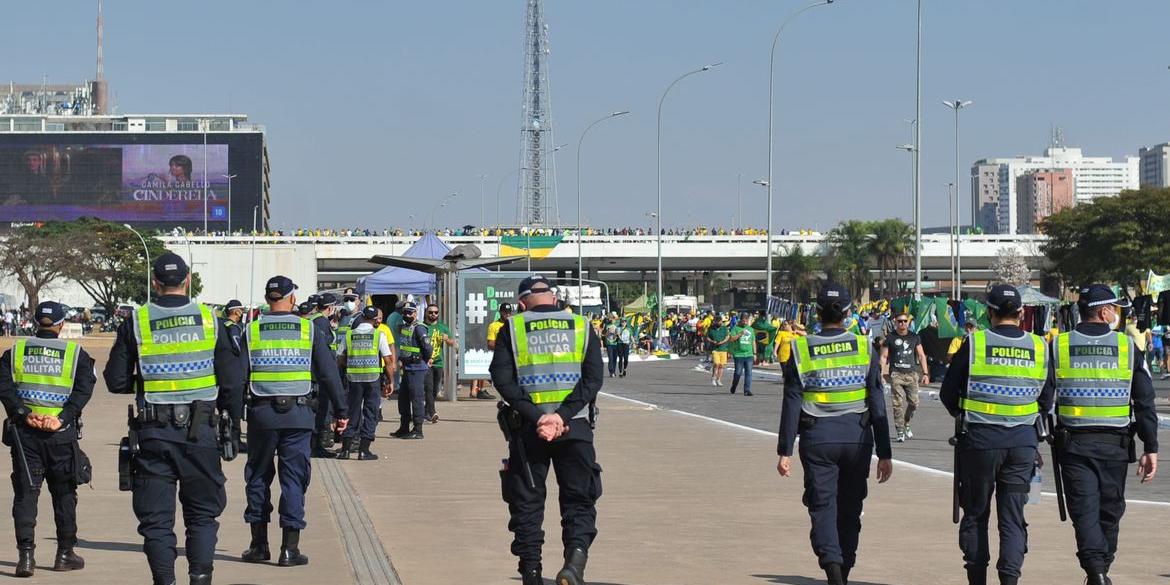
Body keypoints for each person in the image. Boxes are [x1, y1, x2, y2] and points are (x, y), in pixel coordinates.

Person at [103, 253, 243, 585]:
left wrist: (148, 380)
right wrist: (232, 426)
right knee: (202, 515)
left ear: (154, 283)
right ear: (188, 281)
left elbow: (115, 381)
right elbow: (232, 382)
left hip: (154, 433)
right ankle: (200, 578)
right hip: (202, 434)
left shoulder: (136, 321)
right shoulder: (210, 320)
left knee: (156, 521)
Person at [490, 275, 604, 585]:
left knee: (527, 502)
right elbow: (593, 380)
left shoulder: (511, 328)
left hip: (529, 430)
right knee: (580, 499)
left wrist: (538, 417)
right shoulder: (582, 326)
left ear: (521, 303)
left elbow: (502, 380)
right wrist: (562, 416)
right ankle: (574, 564)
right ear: (554, 299)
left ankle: (531, 572)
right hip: (575, 427)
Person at [777, 283, 893, 585]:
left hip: (818, 439)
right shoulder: (863, 346)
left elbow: (791, 401)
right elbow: (877, 400)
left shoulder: (801, 349)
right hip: (857, 438)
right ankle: (844, 567)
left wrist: (784, 450)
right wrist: (885, 453)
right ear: (847, 313)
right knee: (851, 507)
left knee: (823, 506)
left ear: (816, 312)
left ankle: (833, 569)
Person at [940, 284, 1055, 585]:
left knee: (977, 514)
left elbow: (948, 392)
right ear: (1020, 313)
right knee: (1013, 518)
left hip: (980, 442)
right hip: (1021, 444)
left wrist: (964, 414)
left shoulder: (975, 343)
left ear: (989, 312)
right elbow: (1047, 397)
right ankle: (1010, 580)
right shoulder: (1040, 346)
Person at [239, 276, 349, 568]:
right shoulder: (307, 329)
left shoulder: (251, 331)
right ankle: (289, 550)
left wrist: (231, 415)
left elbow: (237, 377)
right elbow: (328, 374)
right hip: (298, 416)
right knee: (294, 480)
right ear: (289, 298)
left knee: (258, 477)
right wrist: (342, 411)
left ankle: (258, 545)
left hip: (261, 416)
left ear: (268, 298)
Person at [1051, 285, 1158, 585]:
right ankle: (1099, 571)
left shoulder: (1058, 346)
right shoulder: (1127, 347)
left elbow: (1045, 398)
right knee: (1110, 512)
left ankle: (1097, 571)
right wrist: (1151, 446)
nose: (1118, 313)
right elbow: (1145, 401)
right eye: (1116, 308)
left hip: (1074, 446)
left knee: (1084, 512)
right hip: (1114, 446)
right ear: (1104, 311)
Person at [0, 301, 95, 577]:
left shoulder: (15, 351)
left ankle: (25, 557)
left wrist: (22, 412)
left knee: (26, 494)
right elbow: (84, 388)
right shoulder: (75, 353)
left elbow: (3, 385)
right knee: (64, 493)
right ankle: (64, 553)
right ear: (61, 324)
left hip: (25, 434)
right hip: (60, 435)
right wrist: (63, 417)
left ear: (34, 321)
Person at [336, 305, 394, 460]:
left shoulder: (349, 335)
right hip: (372, 379)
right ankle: (364, 450)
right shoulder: (378, 335)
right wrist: (390, 381)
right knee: (371, 413)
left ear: (361, 317)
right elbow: (388, 360)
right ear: (375, 320)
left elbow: (340, 358)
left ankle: (345, 450)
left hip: (353, 379)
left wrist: (348, 367)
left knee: (351, 412)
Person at [882, 312, 929, 442]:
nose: (902, 323)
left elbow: (921, 355)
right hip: (896, 373)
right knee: (897, 404)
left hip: (911, 374)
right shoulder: (890, 338)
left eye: (904, 321)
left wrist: (925, 373)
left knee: (914, 403)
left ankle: (906, 422)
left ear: (908, 322)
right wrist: (881, 374)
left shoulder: (914, 337)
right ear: (895, 322)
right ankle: (900, 431)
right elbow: (884, 357)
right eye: (899, 321)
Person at [392, 302, 432, 440]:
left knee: (416, 399)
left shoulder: (419, 328)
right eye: (404, 313)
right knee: (403, 399)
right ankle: (404, 427)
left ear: (415, 313)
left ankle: (418, 429)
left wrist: (423, 360)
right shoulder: (405, 327)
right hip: (407, 367)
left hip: (417, 368)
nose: (406, 315)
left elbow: (428, 348)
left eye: (409, 312)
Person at [309, 293, 341, 458]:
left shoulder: (314, 320)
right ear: (331, 308)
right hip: (319, 374)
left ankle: (315, 444)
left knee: (319, 409)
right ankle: (315, 446)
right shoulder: (321, 322)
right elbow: (324, 347)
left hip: (315, 372)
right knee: (321, 410)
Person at [423, 304, 454, 422]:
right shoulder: (422, 327)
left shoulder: (442, 327)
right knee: (429, 388)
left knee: (435, 389)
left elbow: (453, 343)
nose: (433, 314)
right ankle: (432, 413)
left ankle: (426, 411)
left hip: (438, 362)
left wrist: (447, 339)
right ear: (426, 313)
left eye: (436, 312)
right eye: (430, 312)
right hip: (426, 363)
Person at [478, 303, 514, 400]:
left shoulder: (515, 324)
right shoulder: (493, 326)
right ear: (500, 312)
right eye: (505, 312)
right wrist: (505, 346)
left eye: (509, 312)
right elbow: (490, 344)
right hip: (502, 357)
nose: (507, 315)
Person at [728, 313, 756, 396]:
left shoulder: (750, 329)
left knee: (749, 373)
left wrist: (754, 353)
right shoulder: (735, 328)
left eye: (746, 320)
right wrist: (740, 334)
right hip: (738, 354)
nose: (745, 322)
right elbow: (731, 339)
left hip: (749, 354)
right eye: (743, 320)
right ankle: (734, 386)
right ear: (740, 320)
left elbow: (753, 341)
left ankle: (747, 390)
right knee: (738, 373)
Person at [706, 315, 730, 386]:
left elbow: (727, 336)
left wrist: (722, 342)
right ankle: (713, 378)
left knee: (721, 365)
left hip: (723, 349)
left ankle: (718, 379)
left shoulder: (724, 328)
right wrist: (713, 341)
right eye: (718, 322)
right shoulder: (711, 328)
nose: (720, 323)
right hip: (715, 349)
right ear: (715, 322)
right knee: (716, 363)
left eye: (720, 322)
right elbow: (707, 337)